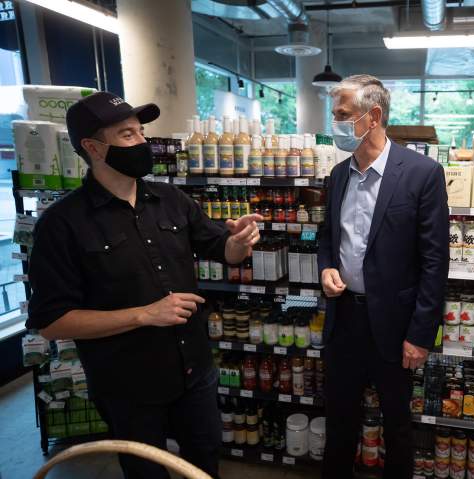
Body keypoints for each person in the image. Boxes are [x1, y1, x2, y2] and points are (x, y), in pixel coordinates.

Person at [26, 92, 263, 479]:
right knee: (146, 472)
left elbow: (224, 250)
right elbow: (52, 322)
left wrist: (238, 243)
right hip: (129, 387)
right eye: (127, 135)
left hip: (195, 372)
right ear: (93, 148)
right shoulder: (61, 224)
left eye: (141, 132)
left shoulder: (171, 199)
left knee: (204, 464)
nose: (142, 142)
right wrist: (144, 314)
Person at [318, 75, 449, 479]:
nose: (335, 123)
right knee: (339, 419)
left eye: (343, 115)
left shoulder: (422, 173)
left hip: (395, 325)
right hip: (344, 319)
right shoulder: (338, 175)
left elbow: (434, 261)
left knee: (397, 424)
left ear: (373, 116)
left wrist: (420, 335)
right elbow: (327, 236)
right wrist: (326, 267)